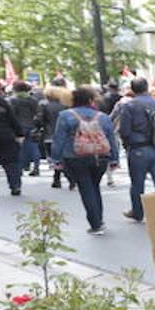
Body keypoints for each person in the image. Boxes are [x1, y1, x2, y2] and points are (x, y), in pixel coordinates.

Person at [51, 85, 120, 234]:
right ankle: (99, 220)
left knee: (86, 188)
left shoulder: (65, 115)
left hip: (76, 157)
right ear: (91, 100)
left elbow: (59, 139)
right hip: (100, 157)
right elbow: (111, 139)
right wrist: (114, 159)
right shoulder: (103, 117)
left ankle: (96, 224)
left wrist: (56, 159)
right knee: (95, 187)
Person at [116, 77, 155, 222]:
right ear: (147, 87)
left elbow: (124, 130)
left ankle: (138, 212)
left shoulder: (130, 106)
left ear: (132, 89)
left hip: (139, 148)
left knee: (137, 184)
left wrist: (127, 143)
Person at [37, 84, 73, 190]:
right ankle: (66, 178)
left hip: (49, 135)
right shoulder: (65, 106)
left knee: (55, 158)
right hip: (63, 135)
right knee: (63, 157)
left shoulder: (44, 105)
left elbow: (40, 120)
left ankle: (59, 178)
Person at [8, 82, 43, 176]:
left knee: (19, 148)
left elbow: (11, 114)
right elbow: (38, 114)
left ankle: (20, 168)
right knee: (34, 147)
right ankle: (36, 167)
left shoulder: (12, 100)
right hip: (31, 126)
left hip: (18, 127)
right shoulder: (33, 100)